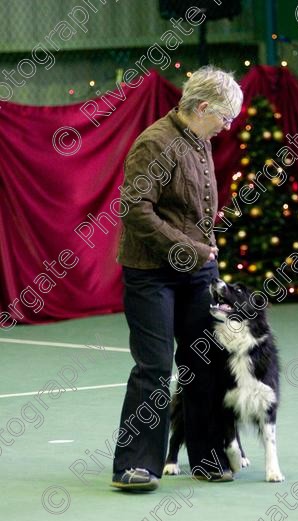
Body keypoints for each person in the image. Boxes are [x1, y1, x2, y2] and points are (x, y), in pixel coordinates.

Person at [112, 65, 243, 492]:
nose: (227, 127)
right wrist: (187, 246)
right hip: (151, 272)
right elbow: (135, 209)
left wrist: (201, 252)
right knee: (154, 366)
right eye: (224, 117)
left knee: (201, 360)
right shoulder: (154, 143)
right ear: (203, 108)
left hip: (198, 271)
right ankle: (135, 464)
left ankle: (206, 455)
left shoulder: (198, 138)